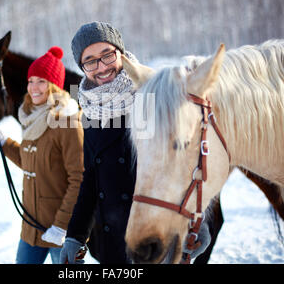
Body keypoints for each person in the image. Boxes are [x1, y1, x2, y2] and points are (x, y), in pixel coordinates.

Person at [60, 21, 211, 264]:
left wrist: (197, 221)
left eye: (107, 55)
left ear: (120, 52)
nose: (101, 67)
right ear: (82, 67)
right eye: (90, 61)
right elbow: (90, 180)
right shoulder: (89, 110)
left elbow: (184, 164)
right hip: (112, 246)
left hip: (159, 238)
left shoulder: (153, 96)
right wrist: (75, 236)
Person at [0, 46, 84, 264]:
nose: (33, 87)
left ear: (54, 86)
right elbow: (29, 161)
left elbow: (79, 180)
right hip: (31, 228)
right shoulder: (31, 118)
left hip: (62, 233)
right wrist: (4, 143)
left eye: (41, 81)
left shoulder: (68, 122)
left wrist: (61, 225)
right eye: (31, 81)